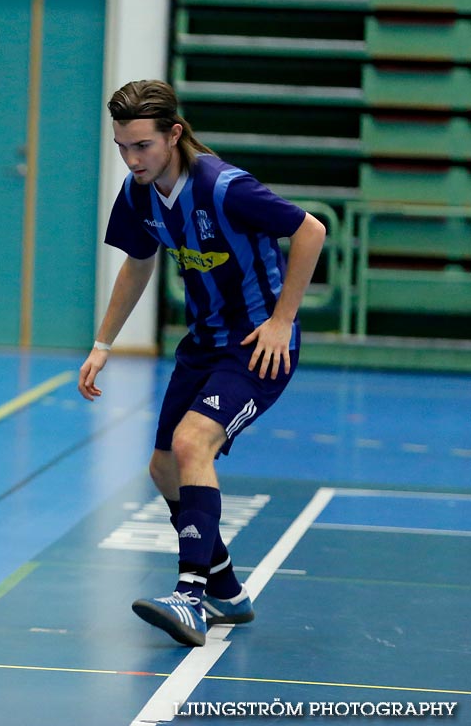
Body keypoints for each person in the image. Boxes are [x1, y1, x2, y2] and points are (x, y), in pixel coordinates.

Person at [78, 79, 326, 647]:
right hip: (203, 343)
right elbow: (138, 264)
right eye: (122, 146)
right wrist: (103, 344)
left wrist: (284, 320)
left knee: (193, 444)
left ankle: (190, 597)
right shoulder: (140, 192)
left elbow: (310, 230)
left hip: (257, 346)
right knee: (164, 468)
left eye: (142, 145)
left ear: (174, 133)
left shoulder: (223, 187)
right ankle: (226, 589)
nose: (131, 158)